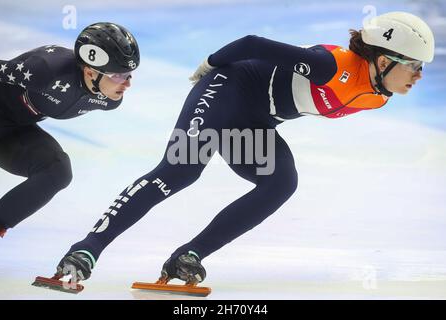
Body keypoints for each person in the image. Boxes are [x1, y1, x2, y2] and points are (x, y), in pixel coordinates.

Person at [54, 12, 435, 286]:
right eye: (414, 66)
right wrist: (209, 64)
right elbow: (253, 44)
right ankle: (87, 249)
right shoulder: (328, 65)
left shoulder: (380, 95)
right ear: (384, 60)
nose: (419, 76)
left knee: (280, 183)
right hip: (227, 88)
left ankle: (189, 255)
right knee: (179, 171)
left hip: (254, 121)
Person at [0, 22, 140, 238]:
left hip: (13, 131)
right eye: (118, 76)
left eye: (129, 74)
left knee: (56, 171)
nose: (127, 84)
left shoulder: (109, 99)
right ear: (91, 72)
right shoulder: (46, 70)